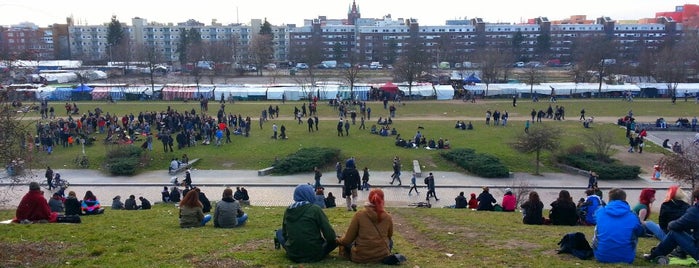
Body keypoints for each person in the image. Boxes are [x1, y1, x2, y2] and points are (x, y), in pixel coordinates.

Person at [275, 184, 337, 263]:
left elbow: (284, 234)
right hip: (315, 254)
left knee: (279, 232)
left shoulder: (288, 210)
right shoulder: (315, 209)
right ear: (310, 194)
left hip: (293, 254)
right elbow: (330, 236)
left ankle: (295, 248)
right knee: (337, 239)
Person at [337, 189, 397, 264]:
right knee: (390, 241)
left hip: (361, 257)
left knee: (349, 241)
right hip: (382, 256)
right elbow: (389, 235)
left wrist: (338, 240)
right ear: (382, 199)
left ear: (369, 199)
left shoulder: (359, 215)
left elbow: (347, 240)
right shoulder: (387, 217)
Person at [644, 189, 699, 262]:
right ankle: (677, 251)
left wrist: (670, 224)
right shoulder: (687, 207)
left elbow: (674, 225)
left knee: (672, 232)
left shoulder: (695, 211)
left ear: (696, 199)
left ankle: (654, 255)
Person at [593, 188, 644, 264]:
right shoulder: (633, 215)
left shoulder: (600, 211)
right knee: (633, 231)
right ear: (624, 199)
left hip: (601, 256)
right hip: (627, 258)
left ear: (609, 199)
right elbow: (640, 232)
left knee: (599, 227)